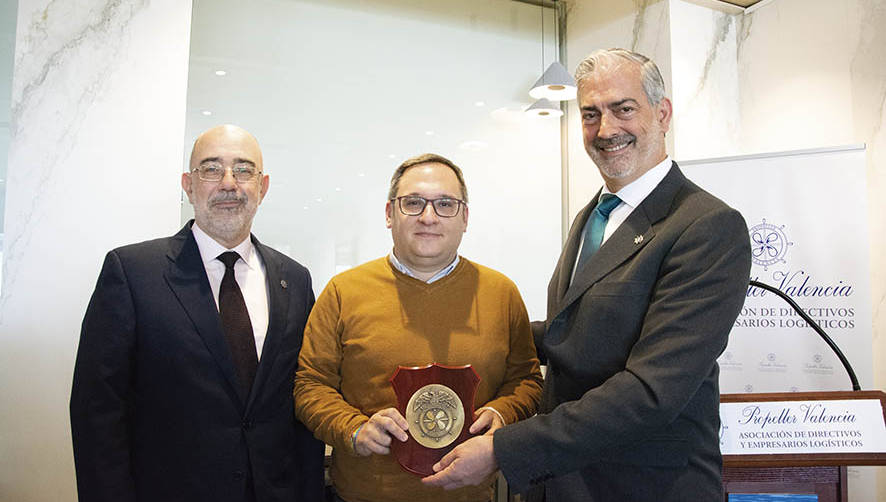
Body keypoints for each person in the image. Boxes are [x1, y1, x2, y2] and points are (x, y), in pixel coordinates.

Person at [423, 49, 752, 501]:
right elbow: (576, 333)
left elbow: (651, 390)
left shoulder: (707, 226)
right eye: (591, 114)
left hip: (646, 487)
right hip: (565, 482)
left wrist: (505, 449)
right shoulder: (594, 215)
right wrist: (481, 334)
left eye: (624, 109)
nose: (606, 129)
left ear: (663, 113)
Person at [70, 125, 324, 502]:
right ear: (188, 185)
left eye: (243, 170)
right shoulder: (132, 272)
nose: (228, 183)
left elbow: (304, 401)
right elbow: (98, 412)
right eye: (210, 169)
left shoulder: (295, 280)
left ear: (262, 186)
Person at [293, 153, 543, 502]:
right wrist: (353, 430)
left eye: (445, 204)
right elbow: (310, 386)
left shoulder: (501, 293)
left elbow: (527, 380)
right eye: (413, 203)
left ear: (465, 217)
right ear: (389, 213)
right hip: (363, 495)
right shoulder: (343, 292)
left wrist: (503, 412)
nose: (428, 217)